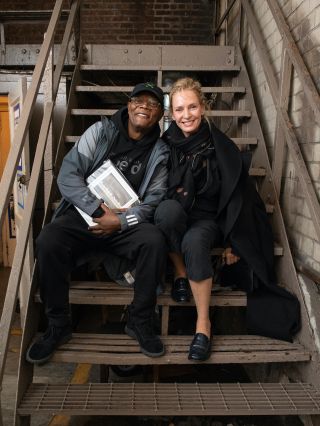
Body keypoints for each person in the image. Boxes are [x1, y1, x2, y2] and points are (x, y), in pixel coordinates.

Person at [155, 77, 300, 362]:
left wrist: (235, 241)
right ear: (172, 113)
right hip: (175, 215)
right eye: (180, 109)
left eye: (192, 107)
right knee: (167, 212)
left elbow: (240, 198)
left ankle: (203, 325)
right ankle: (180, 273)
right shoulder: (164, 145)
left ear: (203, 107)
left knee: (196, 240)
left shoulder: (222, 147)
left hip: (207, 220)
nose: (187, 115)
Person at [26, 82, 170, 365]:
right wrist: (95, 208)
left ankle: (140, 321)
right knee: (48, 240)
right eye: (138, 100)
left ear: (159, 115)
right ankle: (58, 325)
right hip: (84, 215)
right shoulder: (100, 131)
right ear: (128, 105)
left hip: (123, 224)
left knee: (154, 240)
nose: (144, 106)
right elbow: (68, 175)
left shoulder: (161, 152)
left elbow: (153, 202)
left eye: (152, 104)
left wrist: (121, 222)